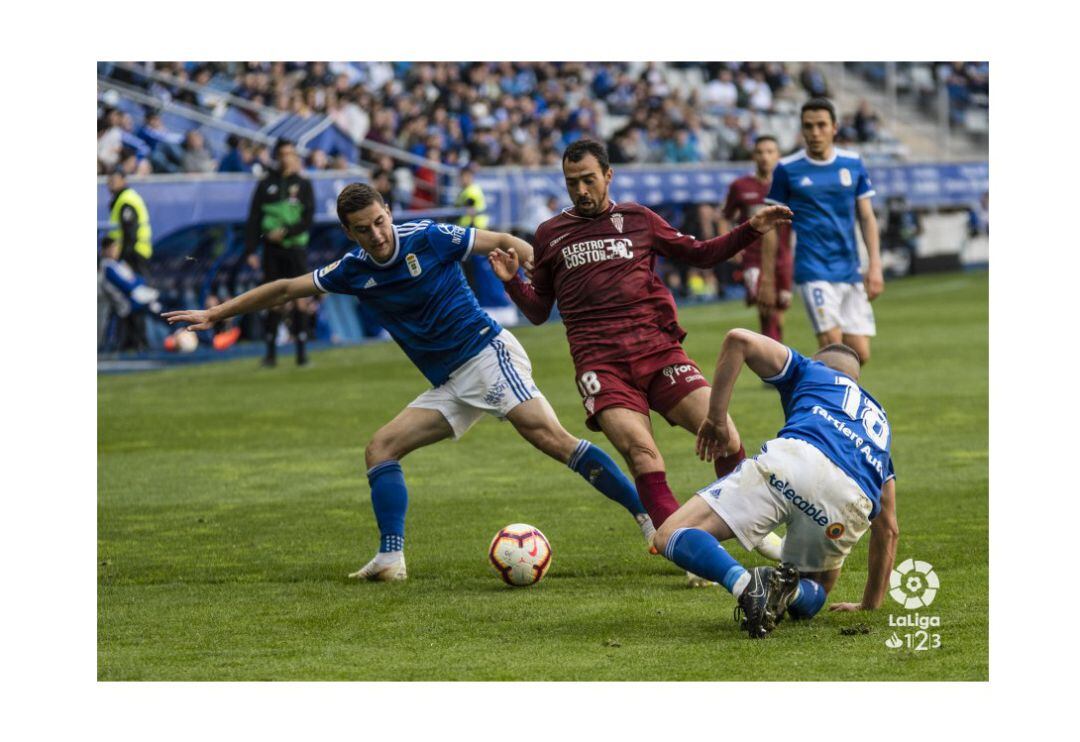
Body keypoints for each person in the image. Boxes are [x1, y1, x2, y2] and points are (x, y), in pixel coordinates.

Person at [164, 183, 654, 582]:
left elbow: (506, 241)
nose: (376, 235)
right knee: (381, 449)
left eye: (380, 222)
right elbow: (288, 288)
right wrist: (216, 312)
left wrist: (538, 266)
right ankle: (390, 559)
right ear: (349, 233)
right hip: (450, 381)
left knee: (554, 440)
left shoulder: (429, 236)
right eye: (363, 229)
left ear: (389, 213)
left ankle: (651, 519)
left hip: (487, 353)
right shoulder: (353, 270)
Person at [488, 139, 792, 581]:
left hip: (657, 350)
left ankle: (745, 525)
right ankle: (692, 553)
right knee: (643, 453)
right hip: (601, 366)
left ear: (608, 175)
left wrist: (751, 229)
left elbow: (701, 254)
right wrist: (513, 282)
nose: (581, 190)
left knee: (726, 435)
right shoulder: (550, 234)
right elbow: (538, 311)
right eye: (572, 182)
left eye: (588, 179)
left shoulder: (637, 219)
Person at [651, 330, 898, 638]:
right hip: (850, 498)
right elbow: (888, 528)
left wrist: (716, 419)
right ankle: (788, 593)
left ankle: (742, 582)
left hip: (795, 460)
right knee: (817, 584)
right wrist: (869, 605)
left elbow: (737, 340)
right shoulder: (880, 427)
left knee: (669, 534)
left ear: (820, 362)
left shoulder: (810, 370)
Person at [759, 98, 883, 365]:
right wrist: (768, 279)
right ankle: (820, 400)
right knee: (833, 347)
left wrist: (875, 265)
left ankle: (808, 382)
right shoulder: (787, 169)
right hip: (812, 268)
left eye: (821, 125)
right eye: (808, 126)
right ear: (802, 130)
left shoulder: (853, 164)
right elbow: (771, 228)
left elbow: (866, 216)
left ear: (834, 127)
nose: (815, 133)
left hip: (849, 269)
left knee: (859, 354)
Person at [243, 139, 315, 367]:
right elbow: (254, 218)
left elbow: (307, 219)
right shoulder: (266, 184)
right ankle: (271, 353)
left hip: (295, 248)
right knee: (273, 299)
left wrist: (285, 232)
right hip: (271, 250)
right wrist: (251, 249)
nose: (287, 158)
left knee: (300, 299)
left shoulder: (303, 185)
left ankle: (302, 353)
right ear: (277, 156)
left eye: (291, 153)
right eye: (283, 154)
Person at [720, 135, 793, 343]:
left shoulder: (788, 187)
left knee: (779, 314)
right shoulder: (740, 186)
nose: (764, 157)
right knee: (766, 309)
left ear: (778, 156)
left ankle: (775, 358)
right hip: (753, 257)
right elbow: (724, 217)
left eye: (770, 152)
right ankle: (773, 366)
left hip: (783, 257)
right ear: (754, 156)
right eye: (760, 152)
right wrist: (731, 247)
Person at [106, 170, 153, 276]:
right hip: (133, 252)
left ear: (123, 181)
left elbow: (130, 232)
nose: (111, 184)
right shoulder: (122, 199)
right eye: (109, 181)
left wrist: (123, 257)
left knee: (137, 288)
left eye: (114, 180)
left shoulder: (126, 200)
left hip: (134, 253)